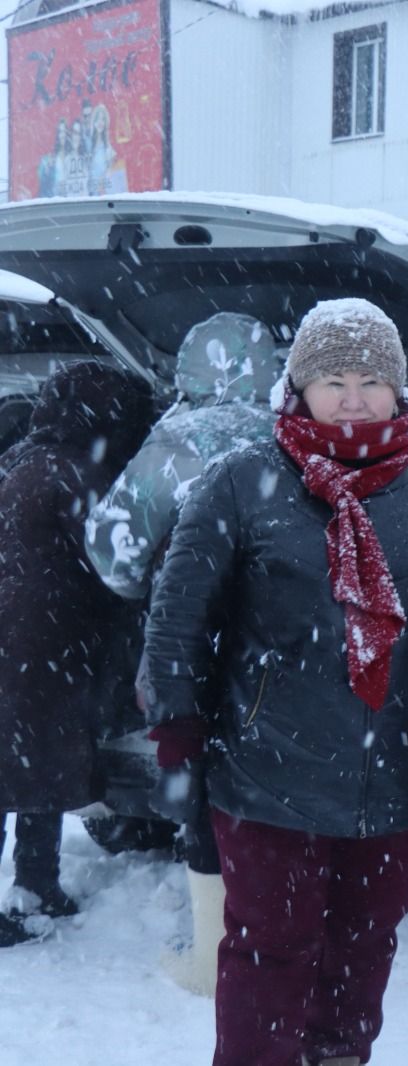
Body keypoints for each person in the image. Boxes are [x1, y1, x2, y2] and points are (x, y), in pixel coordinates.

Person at [138, 299, 408, 1066]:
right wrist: (177, 723)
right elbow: (178, 613)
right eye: (333, 379)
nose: (354, 397)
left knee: (361, 957)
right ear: (298, 388)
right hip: (271, 777)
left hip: (395, 772)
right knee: (271, 952)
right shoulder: (242, 480)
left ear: (400, 392)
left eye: (371, 380)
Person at [84, 311, 281, 997]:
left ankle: (214, 950)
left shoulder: (172, 445)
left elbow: (113, 557)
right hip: (285, 655)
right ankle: (282, 934)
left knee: (202, 792)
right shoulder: (296, 436)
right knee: (274, 790)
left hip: (189, 650)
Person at [0, 361, 157, 949]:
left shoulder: (20, 458)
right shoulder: (82, 475)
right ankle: (34, 893)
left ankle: (33, 890)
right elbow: (116, 568)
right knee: (35, 769)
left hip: (17, 643)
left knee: (16, 765)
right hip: (44, 647)